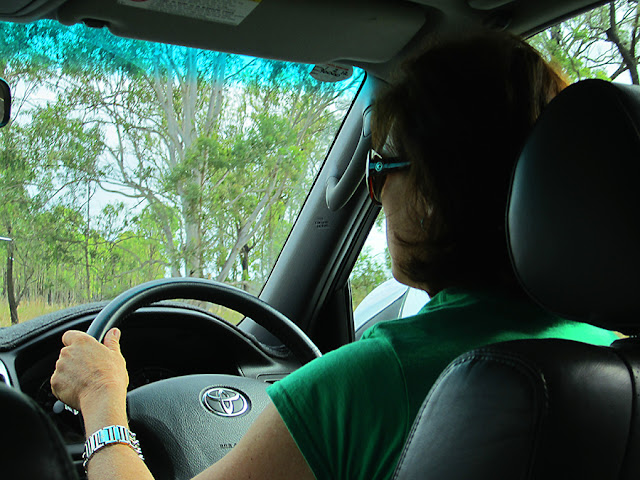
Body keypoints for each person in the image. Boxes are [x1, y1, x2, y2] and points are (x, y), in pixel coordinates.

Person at [50, 31, 618, 480]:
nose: (375, 190)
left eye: (382, 165)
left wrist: (102, 399)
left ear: (435, 191)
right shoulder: (609, 354)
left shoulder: (372, 384)